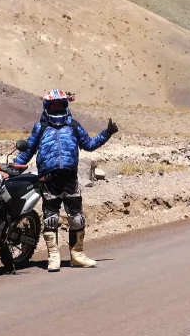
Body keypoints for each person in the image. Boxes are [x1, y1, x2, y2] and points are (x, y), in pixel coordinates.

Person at [13, 90, 118, 272]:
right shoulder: (41, 127)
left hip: (70, 178)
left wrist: (106, 133)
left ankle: (77, 255)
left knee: (76, 218)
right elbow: (27, 150)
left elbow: (89, 144)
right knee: (51, 219)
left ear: (65, 105)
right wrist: (14, 168)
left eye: (60, 104)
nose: (57, 108)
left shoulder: (73, 125)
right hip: (48, 179)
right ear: (47, 107)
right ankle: (53, 257)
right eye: (53, 105)